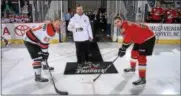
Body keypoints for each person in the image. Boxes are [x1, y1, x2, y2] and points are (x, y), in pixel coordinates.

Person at [114, 16, 156, 85]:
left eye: (118, 22)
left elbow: (128, 38)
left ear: (122, 21)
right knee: (134, 52)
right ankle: (132, 68)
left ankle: (142, 79)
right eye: (115, 23)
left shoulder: (128, 27)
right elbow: (130, 38)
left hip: (147, 38)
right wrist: (123, 49)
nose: (117, 24)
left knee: (141, 58)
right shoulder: (124, 26)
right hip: (140, 37)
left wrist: (123, 49)